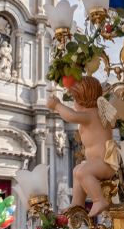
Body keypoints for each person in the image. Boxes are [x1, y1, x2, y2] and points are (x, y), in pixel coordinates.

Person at [46, 77, 118, 217]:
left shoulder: (92, 115)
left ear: (80, 100)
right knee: (77, 170)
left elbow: (71, 116)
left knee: (82, 172)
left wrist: (57, 105)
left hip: (105, 162)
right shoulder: (94, 113)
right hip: (99, 161)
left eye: (74, 99)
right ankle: (77, 203)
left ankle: (99, 200)